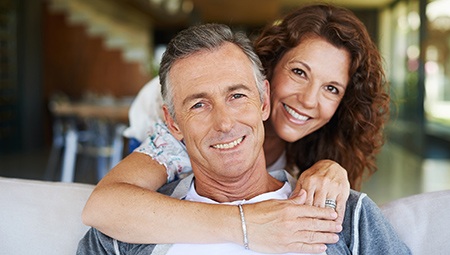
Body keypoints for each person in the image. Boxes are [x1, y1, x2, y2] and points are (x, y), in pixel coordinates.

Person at [77, 23, 410, 255]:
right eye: (299, 72)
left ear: (261, 99)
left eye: (237, 96)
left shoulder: (344, 211)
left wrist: (331, 168)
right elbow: (103, 205)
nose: (308, 100)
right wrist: (246, 224)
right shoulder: (133, 223)